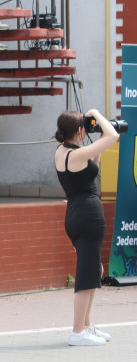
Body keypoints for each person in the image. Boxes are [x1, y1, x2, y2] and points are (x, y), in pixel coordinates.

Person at [53, 109, 119, 346]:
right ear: (80, 130)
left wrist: (97, 140)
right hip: (87, 215)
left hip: (75, 213)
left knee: (94, 269)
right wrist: (97, 115)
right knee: (86, 274)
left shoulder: (63, 152)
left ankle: (87, 326)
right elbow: (113, 136)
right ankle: (77, 331)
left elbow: (89, 168)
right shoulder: (76, 154)